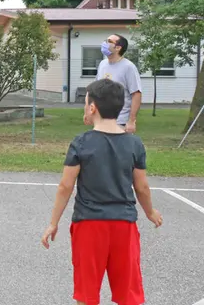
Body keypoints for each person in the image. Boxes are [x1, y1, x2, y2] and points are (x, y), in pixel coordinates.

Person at [41, 78, 163, 305]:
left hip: (89, 225)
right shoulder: (134, 144)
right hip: (123, 226)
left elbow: (65, 186)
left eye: (85, 103)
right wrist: (150, 212)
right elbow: (142, 187)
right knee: (128, 292)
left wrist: (53, 222)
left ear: (92, 108)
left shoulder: (81, 142)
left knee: (87, 293)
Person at [97, 34, 142, 133]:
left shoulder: (128, 67)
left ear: (118, 48)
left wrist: (131, 121)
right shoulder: (102, 64)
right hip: (101, 120)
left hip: (120, 122)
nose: (105, 43)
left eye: (109, 41)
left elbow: (136, 94)